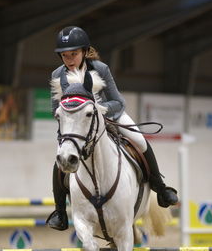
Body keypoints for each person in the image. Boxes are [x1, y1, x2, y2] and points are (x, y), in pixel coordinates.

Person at [46, 26, 178, 230]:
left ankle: (161, 189)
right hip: (78, 126)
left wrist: (99, 110)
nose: (69, 59)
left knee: (141, 141)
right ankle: (60, 212)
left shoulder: (100, 69)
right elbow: (56, 108)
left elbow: (118, 102)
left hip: (111, 116)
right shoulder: (57, 75)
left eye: (73, 54)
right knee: (59, 162)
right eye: (64, 55)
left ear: (83, 51)